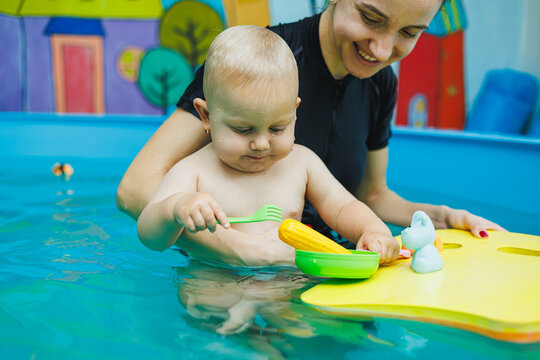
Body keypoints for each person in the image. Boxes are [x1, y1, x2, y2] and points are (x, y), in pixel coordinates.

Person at [119, 0, 504, 246]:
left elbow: (370, 195)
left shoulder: (380, 83)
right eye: (371, 18)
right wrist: (238, 249)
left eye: (409, 33)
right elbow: (136, 190)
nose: (383, 50)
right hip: (234, 263)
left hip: (316, 262)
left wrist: (442, 217)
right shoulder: (253, 67)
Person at [136, 25, 400, 266]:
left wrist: (372, 230)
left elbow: (343, 207)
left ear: (295, 112)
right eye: (242, 129)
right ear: (206, 115)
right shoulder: (192, 172)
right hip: (216, 285)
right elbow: (150, 237)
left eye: (277, 128)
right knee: (212, 299)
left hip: (285, 285)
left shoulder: (302, 163)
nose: (261, 144)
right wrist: (176, 209)